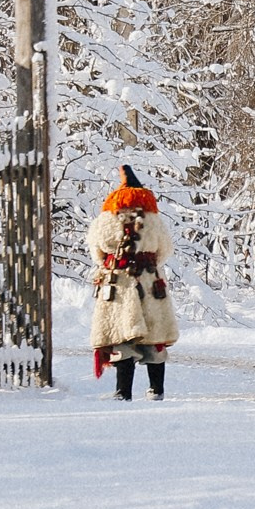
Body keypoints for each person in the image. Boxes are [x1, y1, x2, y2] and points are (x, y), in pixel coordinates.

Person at [88, 164, 179, 400]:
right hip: (148, 281)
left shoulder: (106, 217)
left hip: (117, 281)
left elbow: (96, 249)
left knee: (121, 335)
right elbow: (165, 249)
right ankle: (156, 390)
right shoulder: (154, 218)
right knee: (154, 335)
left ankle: (123, 391)